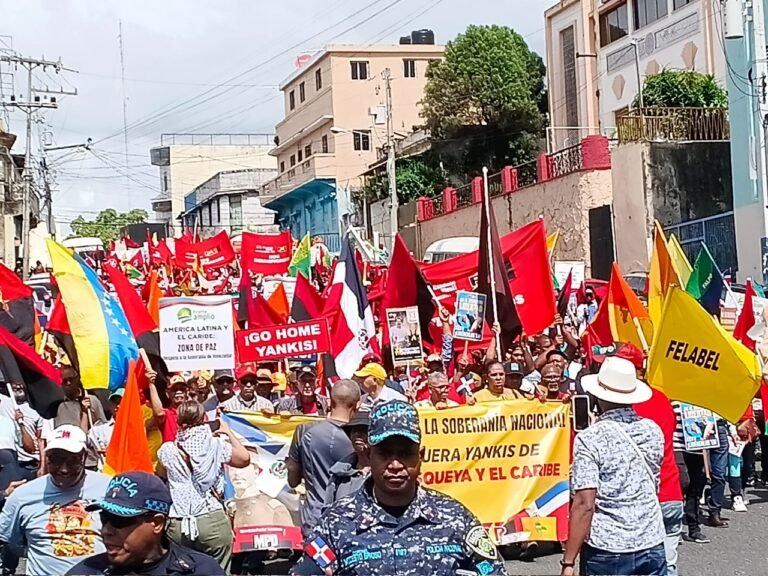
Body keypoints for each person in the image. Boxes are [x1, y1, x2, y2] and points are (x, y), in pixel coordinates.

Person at [291, 400, 506, 575]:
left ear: (421, 456)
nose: (395, 465)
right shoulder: (336, 521)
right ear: (369, 455)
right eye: (384, 454)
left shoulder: (455, 518)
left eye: (405, 454)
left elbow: (493, 570)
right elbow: (306, 570)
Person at [561, 357, 665, 576]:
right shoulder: (652, 430)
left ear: (598, 395)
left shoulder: (590, 438)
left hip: (608, 545)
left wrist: (568, 561)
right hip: (650, 538)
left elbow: (585, 503)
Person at [0, 425, 111, 576]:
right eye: (56, 460)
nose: (64, 469)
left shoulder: (109, 489)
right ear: (46, 458)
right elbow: (6, 539)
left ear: (84, 457)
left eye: (72, 460)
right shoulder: (22, 496)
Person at [65, 471, 225, 575]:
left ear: (157, 523)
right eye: (104, 519)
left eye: (118, 521)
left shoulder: (201, 570)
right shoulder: (86, 571)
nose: (106, 530)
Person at [156, 401, 251, 572]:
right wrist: (227, 431)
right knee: (217, 571)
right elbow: (244, 459)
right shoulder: (216, 445)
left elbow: (161, 475)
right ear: (203, 419)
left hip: (179, 522)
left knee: (181, 571)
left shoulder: (167, 450)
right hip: (211, 519)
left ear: (178, 421)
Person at [287, 379, 359, 536]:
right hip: (350, 521)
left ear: (329, 402)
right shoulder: (360, 439)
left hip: (314, 520)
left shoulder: (304, 432)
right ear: (357, 405)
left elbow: (292, 480)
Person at [636, 388, 685, 576]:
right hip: (672, 491)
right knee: (669, 563)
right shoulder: (662, 399)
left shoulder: (627, 407)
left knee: (640, 563)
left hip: (643, 496)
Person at [54, 366, 107, 470]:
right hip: (68, 460)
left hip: (91, 460)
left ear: (77, 379)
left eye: (71, 379)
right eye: (65, 381)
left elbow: (102, 427)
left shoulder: (92, 400)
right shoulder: (59, 406)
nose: (68, 383)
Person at [324, 411, 370, 507]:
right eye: (354, 431)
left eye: (363, 430)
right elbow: (328, 508)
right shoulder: (339, 473)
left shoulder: (382, 473)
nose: (357, 434)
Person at [0, 382, 44, 477]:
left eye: (20, 384)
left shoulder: (37, 410)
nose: (18, 386)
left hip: (31, 463)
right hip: (12, 462)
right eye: (14, 384)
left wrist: (21, 424)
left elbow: (39, 440)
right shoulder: (4, 402)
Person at [89, 389, 124, 462]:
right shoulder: (98, 430)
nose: (117, 406)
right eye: (114, 402)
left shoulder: (137, 429)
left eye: (121, 402)